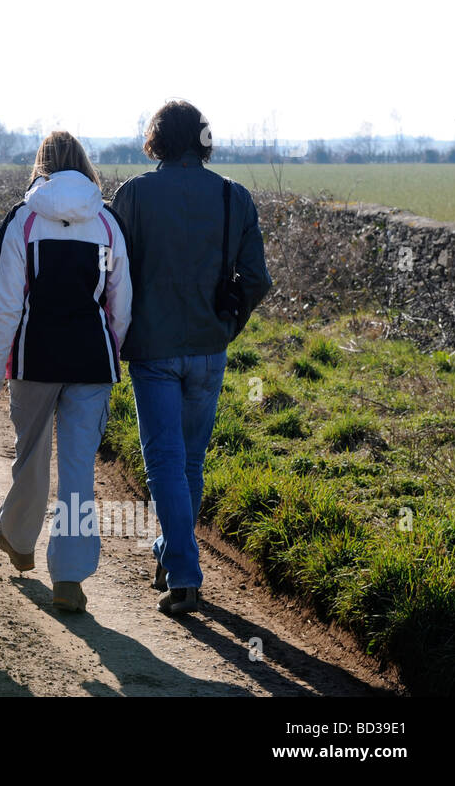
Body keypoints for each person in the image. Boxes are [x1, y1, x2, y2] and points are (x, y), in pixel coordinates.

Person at [110, 100, 271, 616]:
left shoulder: (132, 196)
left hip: (153, 349)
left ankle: (184, 574)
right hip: (209, 349)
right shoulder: (234, 196)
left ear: (156, 140)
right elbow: (257, 280)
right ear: (202, 140)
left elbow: (112, 272)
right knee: (189, 461)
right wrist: (227, 326)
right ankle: (169, 551)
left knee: (164, 463)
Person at [0, 131, 131, 614]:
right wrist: (112, 349)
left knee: (31, 457)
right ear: (84, 165)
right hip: (92, 362)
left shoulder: (24, 221)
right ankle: (69, 578)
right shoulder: (107, 223)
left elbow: (5, 304)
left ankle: (19, 538)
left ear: (42, 165)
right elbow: (119, 303)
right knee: (77, 471)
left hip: (34, 360)